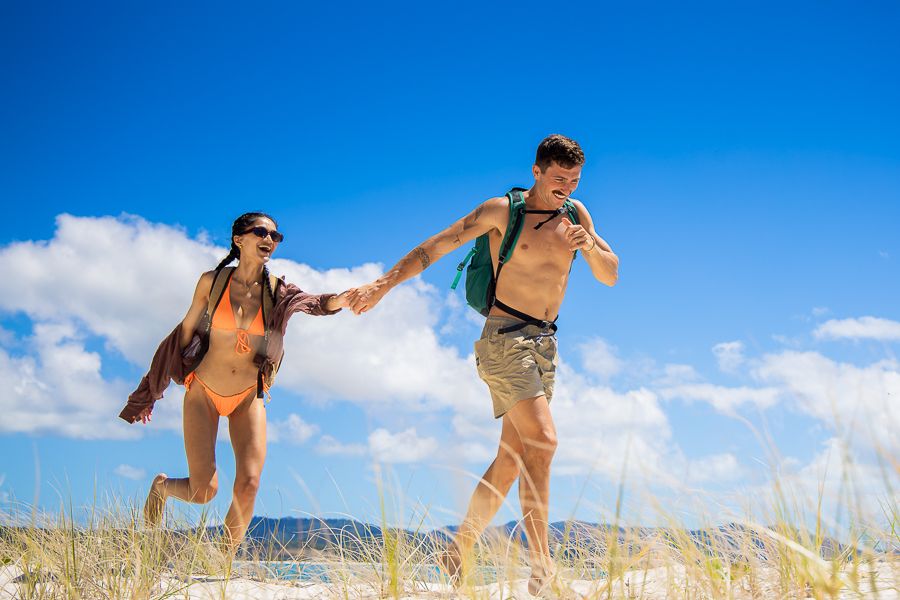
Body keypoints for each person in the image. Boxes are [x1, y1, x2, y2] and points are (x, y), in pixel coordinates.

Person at [347, 135, 618, 595]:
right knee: (545, 442)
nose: (566, 188)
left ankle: (457, 548)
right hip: (504, 340)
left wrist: (588, 244)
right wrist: (382, 285)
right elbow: (437, 245)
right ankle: (542, 569)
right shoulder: (501, 211)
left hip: (544, 346)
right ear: (536, 172)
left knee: (512, 459)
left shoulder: (576, 215)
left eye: (573, 181)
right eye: (558, 179)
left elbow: (610, 274)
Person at [118, 212, 349, 553]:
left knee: (249, 483)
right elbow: (181, 336)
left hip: (248, 396)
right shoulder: (211, 283)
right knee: (203, 491)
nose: (269, 239)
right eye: (261, 232)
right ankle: (162, 488)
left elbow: (313, 303)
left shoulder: (276, 291)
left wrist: (344, 299)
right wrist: (151, 390)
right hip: (203, 393)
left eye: (276, 235)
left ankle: (222, 565)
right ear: (239, 239)